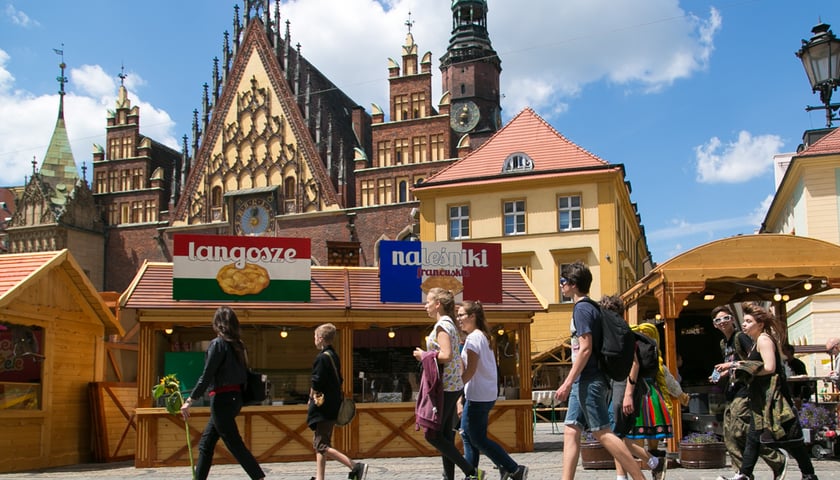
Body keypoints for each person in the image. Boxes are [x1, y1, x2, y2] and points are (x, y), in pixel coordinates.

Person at [553, 262, 645, 480]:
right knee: (571, 429)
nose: (561, 285)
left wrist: (567, 382)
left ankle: (639, 477)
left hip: (589, 378)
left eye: (563, 281)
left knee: (602, 432)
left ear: (573, 284)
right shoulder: (592, 307)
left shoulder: (582, 309)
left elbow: (585, 348)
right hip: (587, 378)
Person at [717, 302, 818, 480]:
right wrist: (736, 367)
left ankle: (808, 474)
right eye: (744, 321)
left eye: (749, 321)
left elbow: (770, 367)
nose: (744, 324)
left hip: (774, 400)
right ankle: (745, 474)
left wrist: (740, 366)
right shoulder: (756, 342)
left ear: (760, 324)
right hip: (761, 399)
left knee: (793, 440)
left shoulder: (764, 339)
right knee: (753, 438)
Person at [179, 306, 265, 480]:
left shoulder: (218, 344)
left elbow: (207, 375)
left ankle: (259, 477)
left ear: (217, 324)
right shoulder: (238, 345)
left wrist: (190, 400)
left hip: (221, 399)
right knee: (206, 444)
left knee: (234, 443)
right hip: (235, 399)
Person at [413, 287, 485, 480]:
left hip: (444, 387)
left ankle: (472, 471)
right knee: (445, 436)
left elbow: (446, 355)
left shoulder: (442, 326)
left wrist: (424, 355)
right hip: (452, 386)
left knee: (432, 435)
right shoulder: (449, 324)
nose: (425, 306)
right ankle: (452, 476)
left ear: (437, 304)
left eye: (428, 302)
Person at [710, 305, 786, 479]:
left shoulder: (741, 337)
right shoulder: (724, 343)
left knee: (742, 431)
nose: (722, 322)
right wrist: (724, 373)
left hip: (745, 390)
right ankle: (741, 473)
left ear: (732, 319)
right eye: (718, 320)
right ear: (714, 324)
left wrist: (732, 366)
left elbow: (753, 361)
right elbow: (736, 365)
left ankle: (776, 460)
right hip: (732, 390)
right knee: (730, 435)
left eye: (726, 318)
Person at [457, 300, 528, 480]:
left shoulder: (474, 338)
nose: (458, 319)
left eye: (461, 315)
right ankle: (478, 473)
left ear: (472, 316)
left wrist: (456, 389)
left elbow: (471, 369)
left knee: (476, 438)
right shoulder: (481, 336)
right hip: (483, 393)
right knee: (468, 435)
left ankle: (513, 468)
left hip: (478, 394)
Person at [601, 296, 667, 480]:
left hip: (624, 386)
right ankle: (653, 462)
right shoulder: (614, 333)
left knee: (615, 435)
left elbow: (634, 363)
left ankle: (625, 476)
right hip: (617, 386)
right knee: (617, 435)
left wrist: (628, 394)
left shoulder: (622, 333)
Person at [307, 323, 368, 480]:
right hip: (333, 404)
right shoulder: (333, 355)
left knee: (321, 444)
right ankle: (320, 477)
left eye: (315, 337)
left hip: (323, 408)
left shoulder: (322, 358)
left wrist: (311, 397)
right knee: (321, 441)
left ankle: (355, 466)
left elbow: (316, 381)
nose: (314, 340)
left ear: (321, 338)